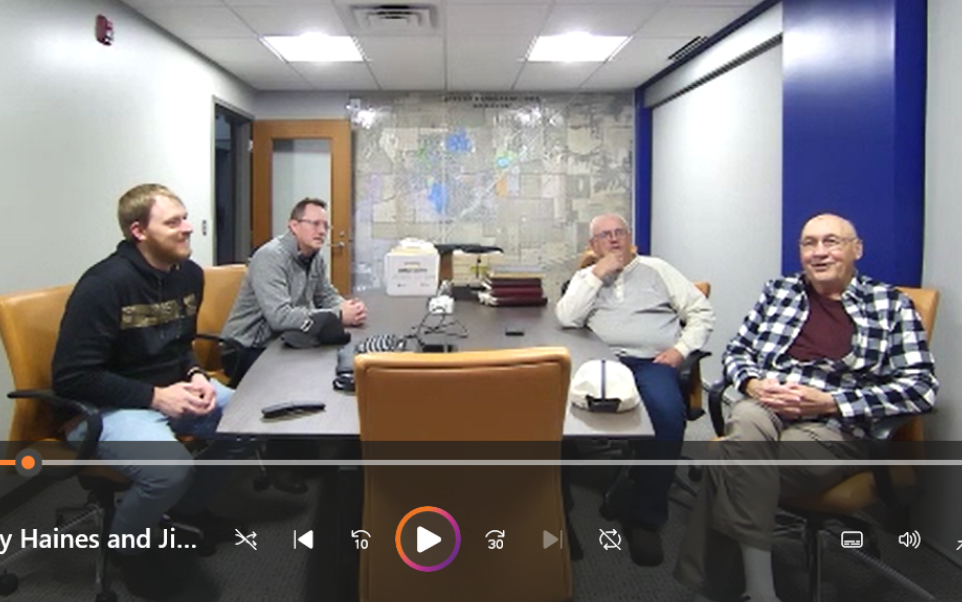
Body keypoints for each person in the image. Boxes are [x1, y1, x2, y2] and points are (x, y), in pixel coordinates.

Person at [674, 214, 938, 602]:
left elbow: (921, 387)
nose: (818, 252)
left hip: (833, 427)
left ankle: (723, 587)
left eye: (831, 242)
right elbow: (737, 350)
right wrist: (751, 382)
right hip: (765, 410)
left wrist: (833, 401)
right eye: (808, 243)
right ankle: (762, 591)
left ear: (856, 249)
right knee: (746, 416)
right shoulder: (779, 292)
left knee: (728, 460)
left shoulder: (890, 304)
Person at [52, 184, 249, 599]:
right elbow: (72, 378)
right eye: (173, 222)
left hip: (169, 391)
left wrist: (196, 373)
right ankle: (129, 549)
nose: (188, 229)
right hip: (103, 407)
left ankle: (184, 510)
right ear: (139, 231)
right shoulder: (104, 285)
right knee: (170, 469)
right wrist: (156, 397)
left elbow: (180, 346)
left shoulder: (189, 275)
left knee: (251, 424)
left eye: (185, 218)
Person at [556, 213, 715, 566]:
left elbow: (701, 312)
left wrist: (681, 350)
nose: (613, 240)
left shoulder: (657, 269)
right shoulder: (586, 278)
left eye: (619, 233)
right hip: (600, 360)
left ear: (630, 237)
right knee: (560, 413)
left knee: (668, 414)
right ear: (593, 245)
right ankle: (560, 509)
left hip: (652, 362)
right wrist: (598, 274)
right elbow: (567, 318)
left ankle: (646, 517)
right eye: (604, 236)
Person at [220, 198, 367, 492]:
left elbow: (326, 295)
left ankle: (304, 449)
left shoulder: (314, 256)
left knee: (328, 364)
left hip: (286, 340)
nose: (322, 231)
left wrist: (347, 307)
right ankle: (282, 463)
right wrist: (338, 315)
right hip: (249, 348)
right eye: (315, 223)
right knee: (294, 379)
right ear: (293, 225)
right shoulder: (270, 257)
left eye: (325, 225)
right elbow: (279, 316)